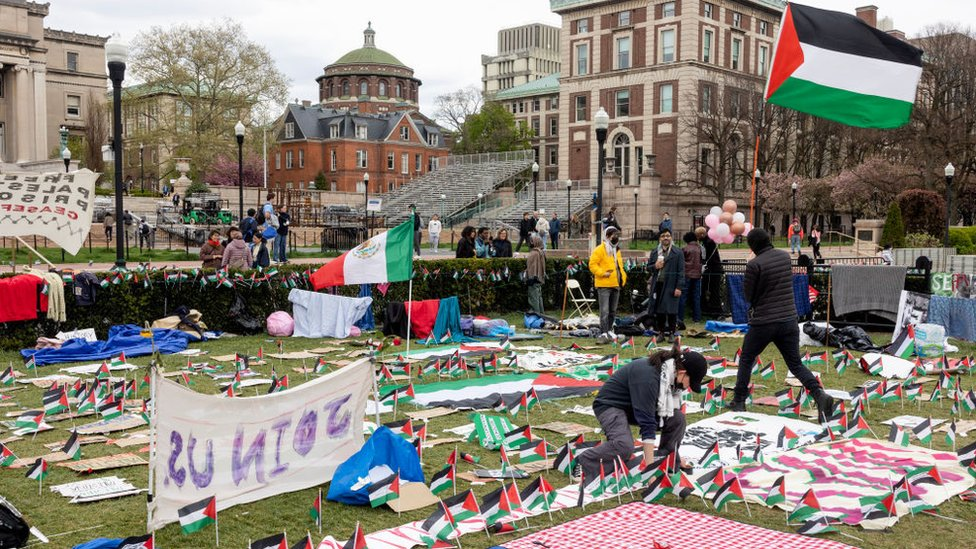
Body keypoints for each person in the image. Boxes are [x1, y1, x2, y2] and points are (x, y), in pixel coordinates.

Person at [727, 229, 835, 421]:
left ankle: (739, 400)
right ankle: (819, 395)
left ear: (753, 246)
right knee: (795, 364)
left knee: (747, 358)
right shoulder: (785, 257)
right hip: (788, 319)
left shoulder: (754, 265)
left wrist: (749, 264)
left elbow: (748, 296)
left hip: (764, 321)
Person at [576, 346, 707, 481]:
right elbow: (647, 425)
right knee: (624, 446)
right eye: (690, 382)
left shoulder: (669, 374)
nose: (688, 387)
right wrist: (649, 472)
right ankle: (584, 461)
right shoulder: (649, 378)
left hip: (633, 405)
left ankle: (667, 460)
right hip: (610, 404)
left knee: (677, 419)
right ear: (682, 372)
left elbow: (668, 411)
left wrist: (675, 455)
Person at [588, 226, 627, 344]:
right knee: (604, 311)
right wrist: (602, 273)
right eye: (614, 235)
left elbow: (619, 266)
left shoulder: (617, 250)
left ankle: (609, 330)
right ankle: (603, 332)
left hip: (616, 284)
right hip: (604, 284)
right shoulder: (599, 249)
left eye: (617, 235)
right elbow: (592, 264)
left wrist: (623, 277)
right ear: (607, 236)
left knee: (612, 310)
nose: (616, 237)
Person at [646, 229, 685, 339]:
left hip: (672, 285)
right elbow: (648, 268)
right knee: (659, 310)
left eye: (668, 235)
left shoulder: (678, 252)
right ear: (660, 239)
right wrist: (655, 266)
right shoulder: (655, 252)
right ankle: (661, 333)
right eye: (663, 236)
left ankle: (672, 333)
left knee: (672, 310)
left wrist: (679, 287)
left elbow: (681, 271)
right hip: (658, 284)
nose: (666, 238)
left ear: (671, 237)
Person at [678, 231, 703, 328]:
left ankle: (680, 318)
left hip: (686, 275)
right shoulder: (699, 248)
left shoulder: (685, 249)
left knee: (683, 296)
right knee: (696, 297)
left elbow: (681, 262)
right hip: (697, 275)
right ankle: (697, 318)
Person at [699, 226, 724, 315]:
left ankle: (712, 309)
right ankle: (713, 308)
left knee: (711, 290)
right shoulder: (709, 242)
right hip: (714, 268)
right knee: (714, 290)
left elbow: (706, 257)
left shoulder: (708, 243)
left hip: (712, 269)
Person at [526, 234, 546, 315]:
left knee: (534, 298)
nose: (530, 243)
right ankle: (541, 314)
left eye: (531, 241)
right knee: (538, 297)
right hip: (538, 278)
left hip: (533, 279)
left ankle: (536, 315)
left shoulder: (534, 253)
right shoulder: (540, 252)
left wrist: (531, 277)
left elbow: (532, 267)